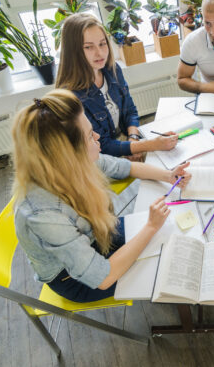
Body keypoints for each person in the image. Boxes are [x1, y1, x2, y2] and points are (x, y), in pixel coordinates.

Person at [11, 89, 191, 302]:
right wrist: (150, 227)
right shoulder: (43, 215)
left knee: (164, 238)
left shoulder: (70, 163)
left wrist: (169, 175)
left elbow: (124, 167)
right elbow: (102, 277)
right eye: (89, 136)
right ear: (67, 154)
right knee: (159, 262)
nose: (97, 137)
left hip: (95, 236)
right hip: (73, 279)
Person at [56, 13, 177, 160]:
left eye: (102, 44)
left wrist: (133, 138)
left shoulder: (112, 69)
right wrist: (148, 145)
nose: (99, 53)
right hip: (98, 160)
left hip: (121, 143)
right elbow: (102, 145)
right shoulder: (70, 96)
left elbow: (130, 111)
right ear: (73, 52)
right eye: (88, 47)